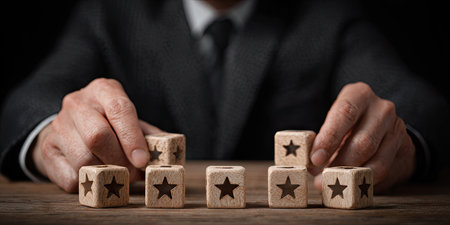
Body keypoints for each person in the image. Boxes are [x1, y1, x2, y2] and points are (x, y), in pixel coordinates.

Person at [0, 0, 448, 194]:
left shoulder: (328, 16)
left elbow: (420, 101)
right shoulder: (107, 14)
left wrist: (403, 141)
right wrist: (47, 137)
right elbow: (26, 101)